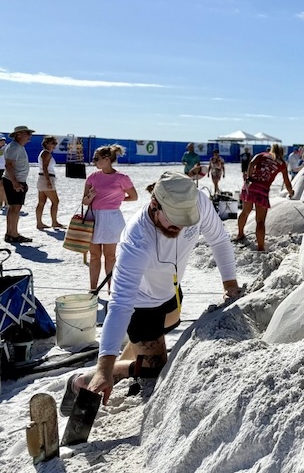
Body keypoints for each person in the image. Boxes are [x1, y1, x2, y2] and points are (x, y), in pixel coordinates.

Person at [64, 172, 241, 406]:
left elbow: (218, 240)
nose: (179, 227)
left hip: (172, 290)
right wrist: (104, 368)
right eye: (174, 219)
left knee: (159, 336)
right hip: (142, 305)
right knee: (154, 368)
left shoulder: (197, 201)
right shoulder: (137, 241)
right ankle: (82, 380)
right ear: (154, 204)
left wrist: (230, 285)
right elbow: (120, 305)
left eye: (184, 220)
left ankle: (135, 350)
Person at [82, 145, 138, 292]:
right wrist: (91, 197)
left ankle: (111, 288)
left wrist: (116, 200)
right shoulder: (93, 177)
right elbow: (84, 201)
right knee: (94, 256)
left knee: (110, 256)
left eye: (96, 159)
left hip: (111, 218)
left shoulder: (122, 178)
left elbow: (134, 197)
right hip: (93, 217)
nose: (94, 161)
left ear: (107, 159)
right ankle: (93, 288)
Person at [235, 143, 292, 251]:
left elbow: (251, 164)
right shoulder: (282, 164)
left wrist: (250, 177)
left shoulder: (262, 155)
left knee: (245, 211)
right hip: (262, 190)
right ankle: (260, 247)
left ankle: (240, 234)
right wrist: (291, 192)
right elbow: (286, 181)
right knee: (260, 221)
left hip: (250, 186)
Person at [3, 125, 34, 244]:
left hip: (14, 180)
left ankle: (10, 233)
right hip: (14, 181)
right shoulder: (15, 147)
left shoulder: (16, 147)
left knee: (13, 208)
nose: (29, 136)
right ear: (19, 134)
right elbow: (9, 166)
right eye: (27, 133)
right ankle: (13, 234)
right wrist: (15, 183)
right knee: (15, 208)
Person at [36, 136, 64, 230]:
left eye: (55, 143)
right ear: (47, 143)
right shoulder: (46, 153)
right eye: (53, 143)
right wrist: (48, 180)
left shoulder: (44, 153)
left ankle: (40, 223)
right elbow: (45, 167)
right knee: (55, 201)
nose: (54, 145)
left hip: (42, 178)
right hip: (46, 178)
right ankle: (54, 222)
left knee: (41, 202)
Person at [0, 136, 7, 212]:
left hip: (4, 168)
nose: (3, 142)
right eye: (1, 141)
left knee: (3, 187)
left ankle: (5, 203)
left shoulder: (6, 148)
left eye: (4, 141)